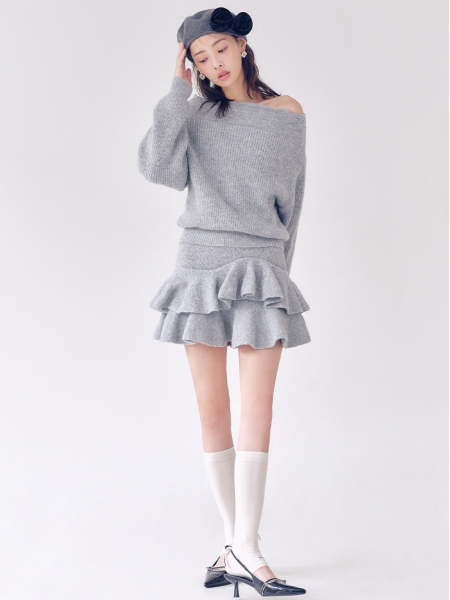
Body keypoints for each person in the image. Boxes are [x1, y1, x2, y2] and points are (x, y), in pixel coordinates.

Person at [138, 7, 310, 597]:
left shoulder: (287, 112)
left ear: (241, 45)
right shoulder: (193, 115)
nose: (213, 63)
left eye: (219, 49)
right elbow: (155, 167)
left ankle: (241, 547)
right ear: (190, 64)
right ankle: (243, 549)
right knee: (213, 411)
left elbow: (293, 202)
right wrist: (177, 92)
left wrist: (281, 276)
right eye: (199, 57)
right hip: (200, 266)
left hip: (262, 266)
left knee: (258, 410)